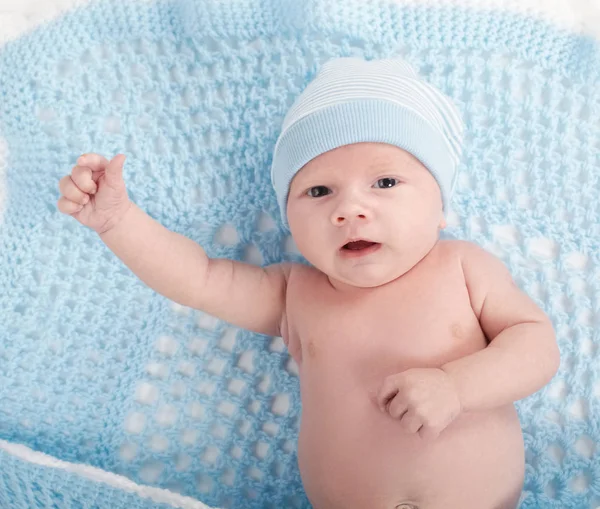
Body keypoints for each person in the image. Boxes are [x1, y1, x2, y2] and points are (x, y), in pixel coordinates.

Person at [57, 57, 560, 509]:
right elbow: (198, 278)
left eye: (385, 182)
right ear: (289, 219)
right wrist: (117, 221)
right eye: (318, 190)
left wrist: (458, 387)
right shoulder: (294, 294)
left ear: (441, 204)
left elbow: (536, 345)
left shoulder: (463, 268)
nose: (350, 210)